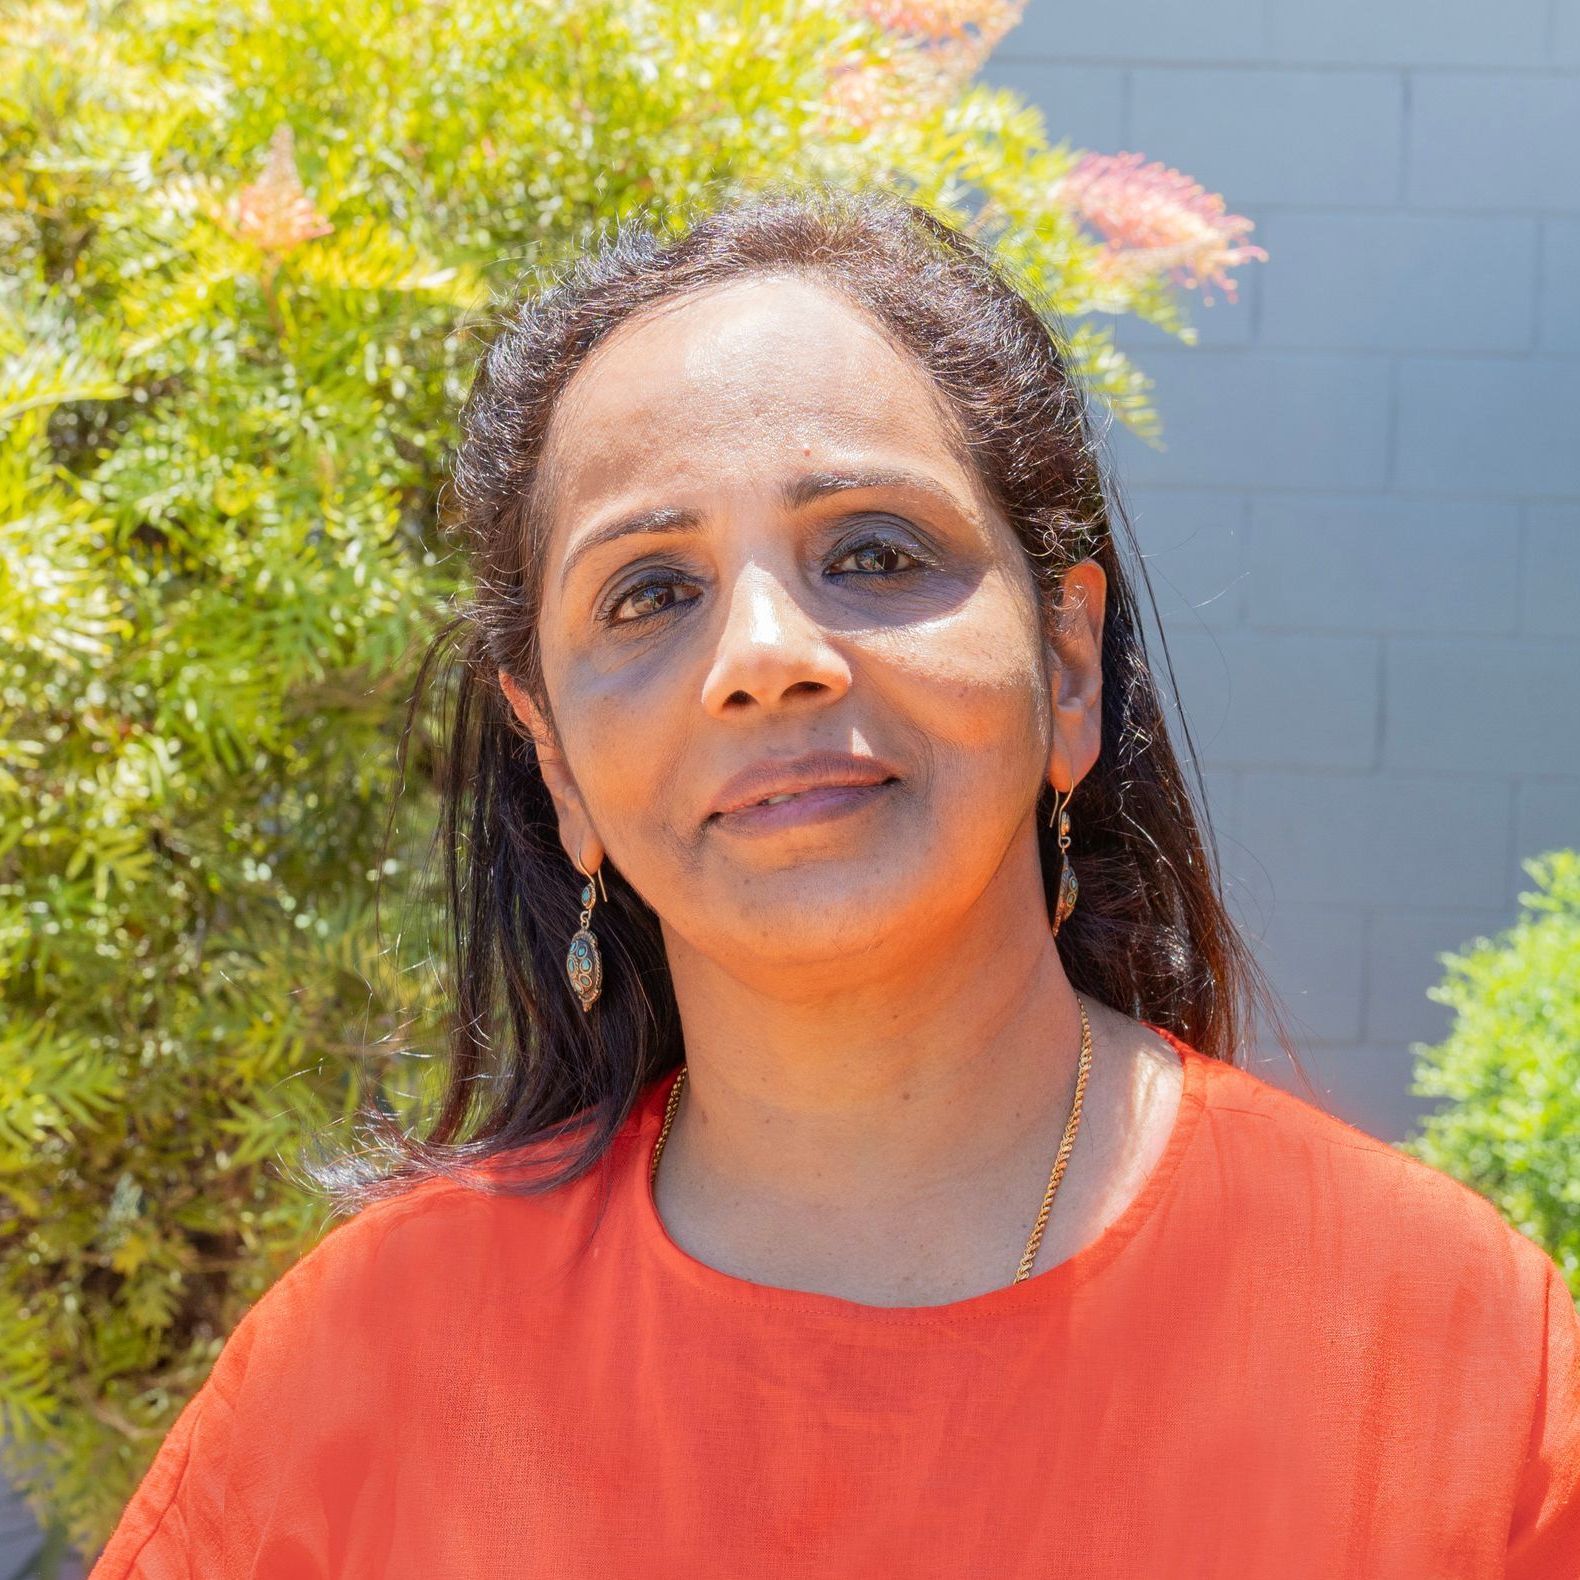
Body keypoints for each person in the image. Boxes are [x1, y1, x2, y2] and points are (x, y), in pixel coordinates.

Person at [90, 185, 1579, 1578]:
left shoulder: (1458, 1356)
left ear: (1066, 663)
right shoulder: (370, 1371)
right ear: (556, 767)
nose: (764, 659)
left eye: (870, 554)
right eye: (650, 591)